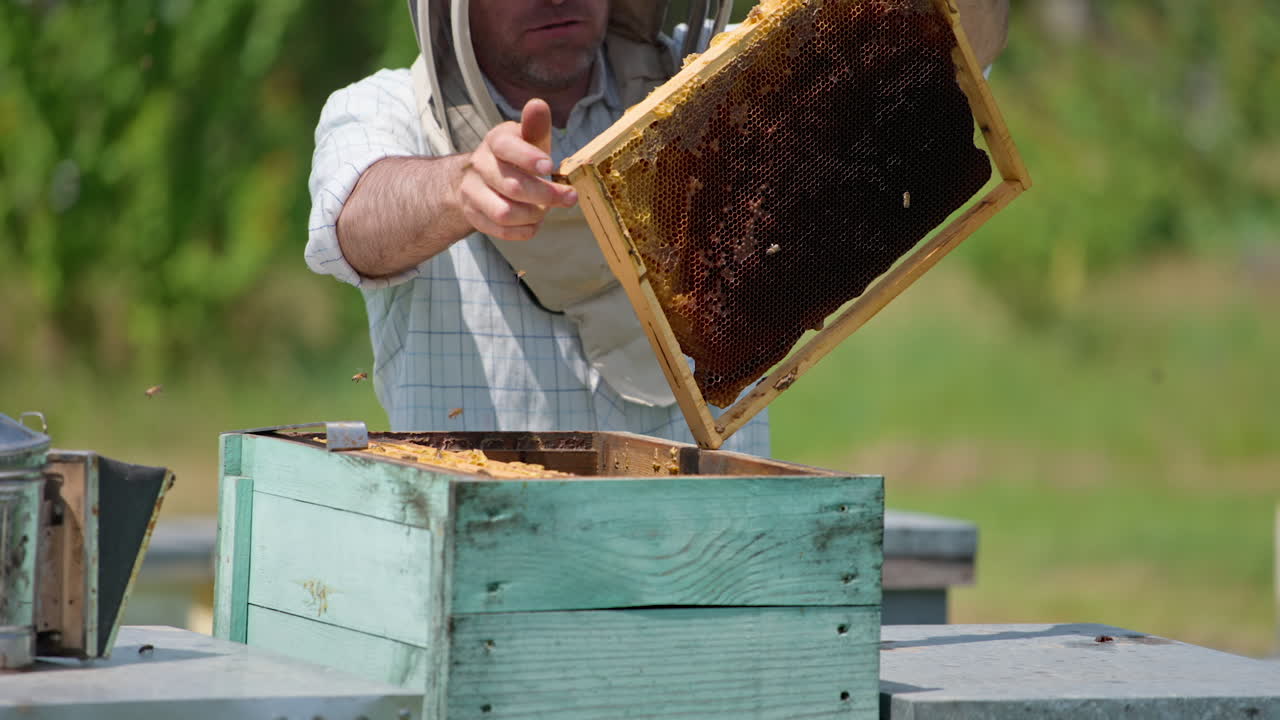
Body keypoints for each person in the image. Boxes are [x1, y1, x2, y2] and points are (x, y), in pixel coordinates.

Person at [305, 0, 1008, 456]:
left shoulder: (721, 82)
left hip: (711, 553)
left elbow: (938, 42)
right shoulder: (385, 113)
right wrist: (460, 187)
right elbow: (355, 222)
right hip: (486, 555)